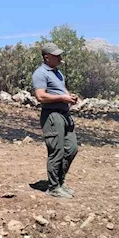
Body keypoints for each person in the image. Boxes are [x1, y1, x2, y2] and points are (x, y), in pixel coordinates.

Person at [32, 43, 79, 199]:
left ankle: (60, 181)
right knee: (56, 151)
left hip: (65, 114)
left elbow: (62, 90)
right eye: (56, 55)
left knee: (71, 149)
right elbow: (40, 96)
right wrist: (62, 98)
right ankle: (53, 187)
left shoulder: (58, 73)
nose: (60, 58)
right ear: (47, 57)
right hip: (52, 115)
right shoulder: (40, 73)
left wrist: (69, 97)